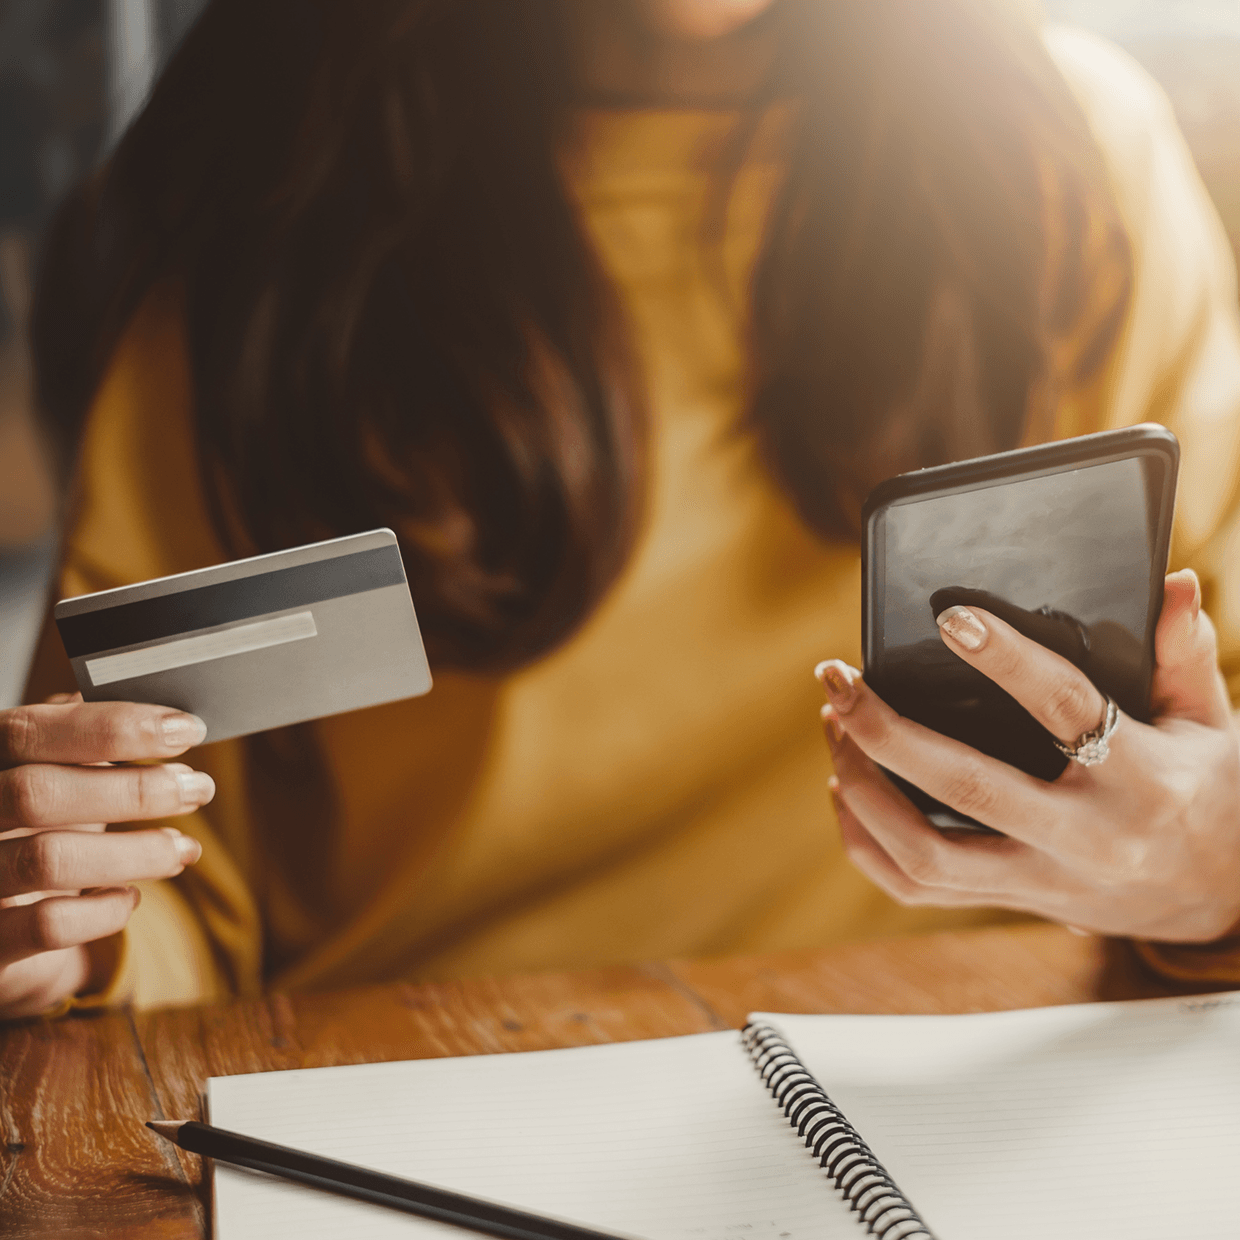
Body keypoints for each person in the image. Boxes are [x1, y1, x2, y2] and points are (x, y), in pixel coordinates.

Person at [3, 0, 1240, 1021]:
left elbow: (1213, 734)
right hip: (402, 1096)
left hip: (981, 1094)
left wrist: (1210, 872)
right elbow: (166, 876)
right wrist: (74, 936)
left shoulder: (1072, 159)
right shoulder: (235, 221)